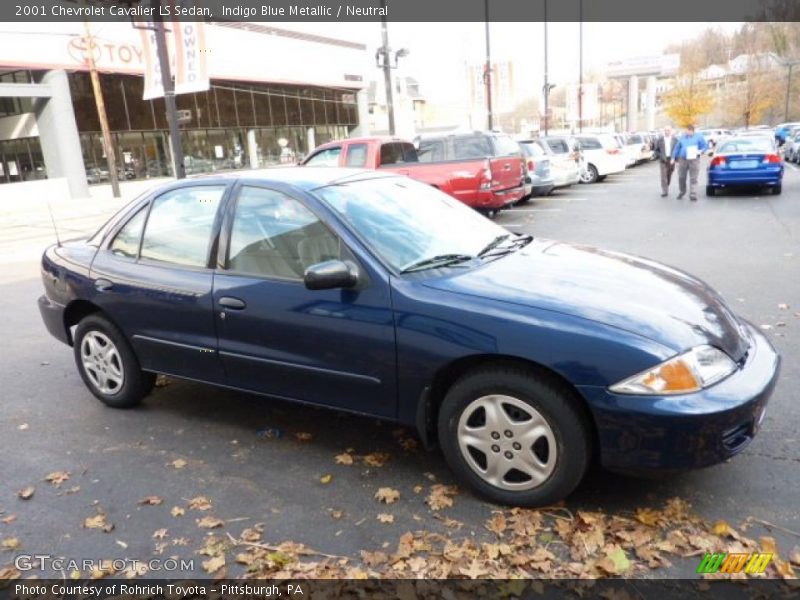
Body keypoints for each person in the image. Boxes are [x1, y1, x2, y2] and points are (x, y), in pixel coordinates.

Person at [671, 124, 708, 201]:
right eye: (686, 131)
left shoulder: (699, 137)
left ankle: (693, 194)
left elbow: (705, 146)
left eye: (687, 131)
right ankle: (682, 191)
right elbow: (677, 148)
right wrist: (673, 158)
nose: (686, 132)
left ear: (692, 131)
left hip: (694, 160)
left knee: (693, 178)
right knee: (681, 177)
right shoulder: (682, 137)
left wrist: (701, 151)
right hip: (683, 159)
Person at [654, 126, 679, 197]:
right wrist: (660, 155)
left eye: (668, 130)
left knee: (669, 174)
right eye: (665, 130)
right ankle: (665, 191)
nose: (667, 132)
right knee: (663, 176)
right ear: (663, 131)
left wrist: (676, 159)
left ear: (671, 131)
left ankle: (667, 184)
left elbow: (677, 150)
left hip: (671, 159)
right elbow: (656, 150)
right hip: (663, 159)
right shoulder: (660, 140)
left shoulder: (675, 140)